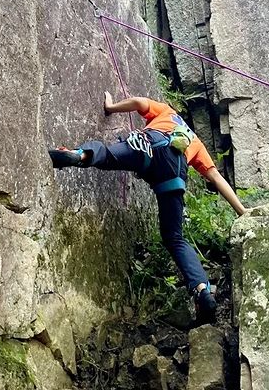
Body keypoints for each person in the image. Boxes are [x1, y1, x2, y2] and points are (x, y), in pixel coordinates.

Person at [49, 91, 247, 324]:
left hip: (147, 146)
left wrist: (110, 107)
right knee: (174, 238)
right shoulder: (196, 143)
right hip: (174, 170)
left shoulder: (167, 112)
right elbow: (216, 178)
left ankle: (79, 155)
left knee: (105, 154)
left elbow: (139, 103)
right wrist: (243, 212)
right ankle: (201, 288)